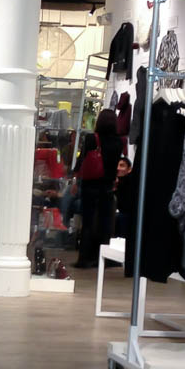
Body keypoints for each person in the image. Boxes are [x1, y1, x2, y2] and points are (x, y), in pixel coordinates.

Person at [73, 109, 122, 268]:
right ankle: (101, 258)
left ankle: (84, 259)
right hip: (107, 186)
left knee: (87, 222)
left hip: (90, 185)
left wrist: (75, 174)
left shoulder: (91, 138)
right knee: (105, 223)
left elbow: (82, 160)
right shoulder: (119, 142)